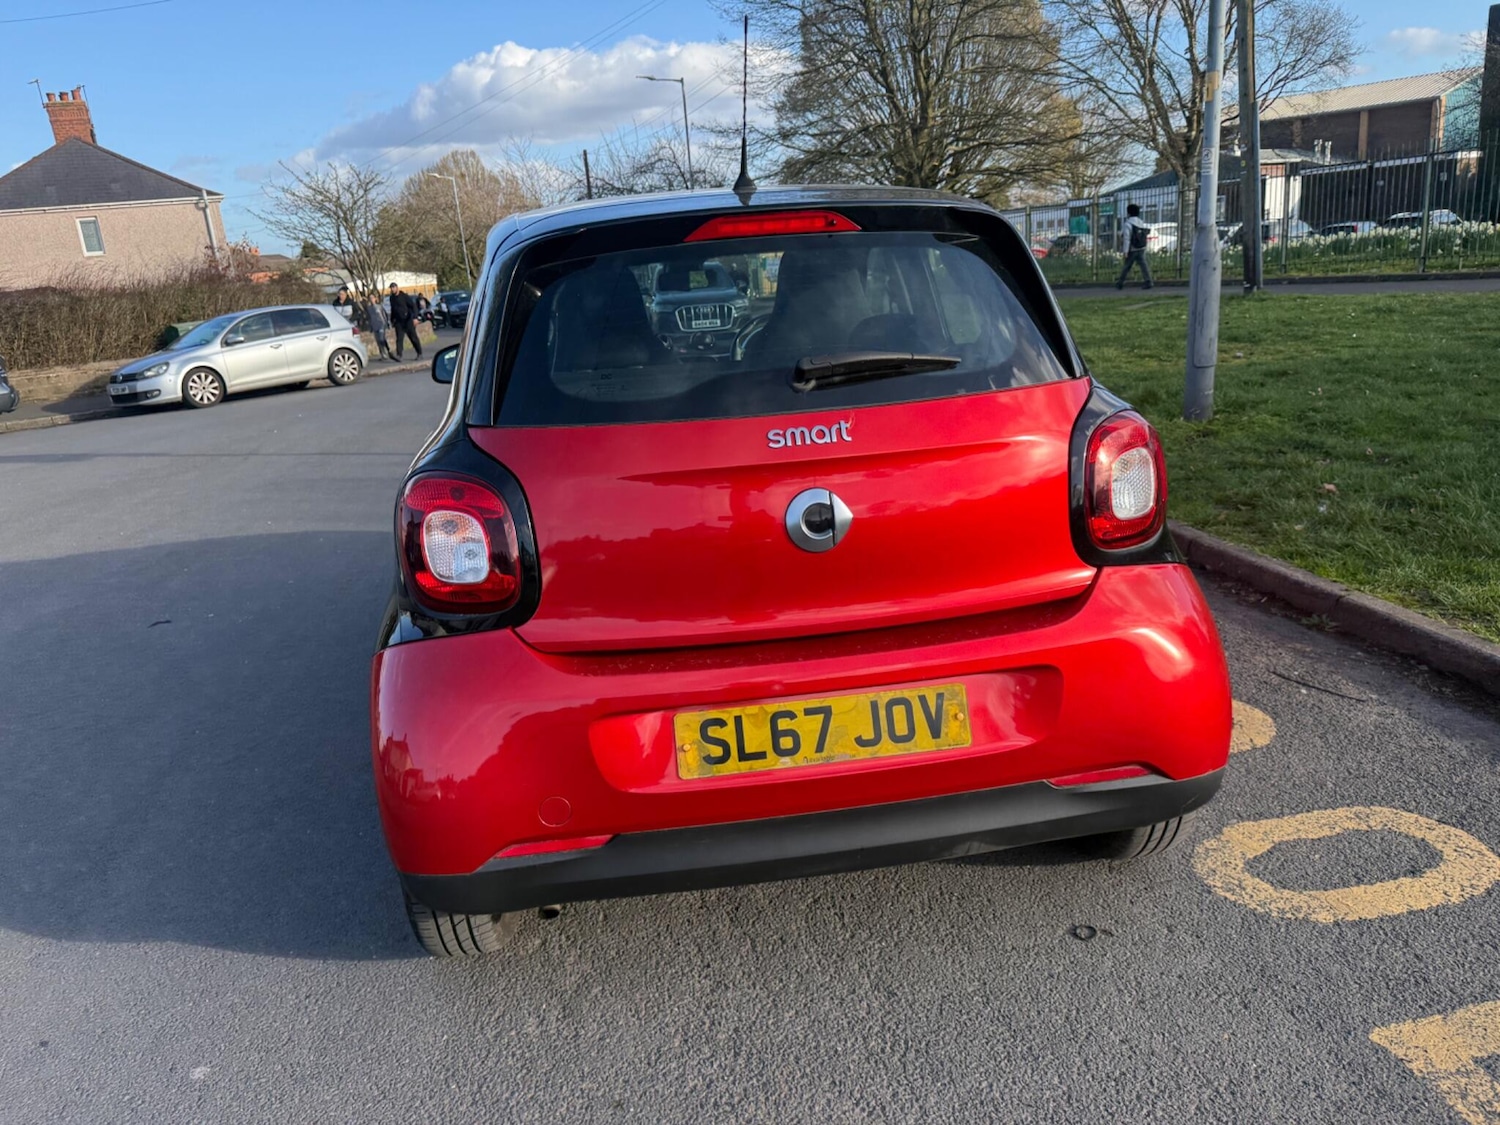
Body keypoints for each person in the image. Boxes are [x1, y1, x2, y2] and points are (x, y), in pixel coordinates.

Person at [1116, 204, 1154, 290]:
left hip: (1132, 248)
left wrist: (1125, 251)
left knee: (1127, 266)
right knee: (1143, 265)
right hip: (1141, 247)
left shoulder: (1128, 224)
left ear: (1128, 213)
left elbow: (1126, 238)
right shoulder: (1141, 222)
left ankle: (1120, 282)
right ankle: (1148, 281)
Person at [388, 283, 422, 360]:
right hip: (398, 321)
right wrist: (392, 320)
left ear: (397, 287)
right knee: (399, 338)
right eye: (391, 288)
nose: (392, 289)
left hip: (407, 320)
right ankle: (399, 355)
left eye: (393, 287)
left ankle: (419, 353)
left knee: (413, 337)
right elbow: (393, 309)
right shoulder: (392, 298)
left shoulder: (404, 296)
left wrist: (415, 318)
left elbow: (413, 306)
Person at [364, 291, 394, 361]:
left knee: (381, 339)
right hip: (375, 326)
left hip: (381, 325)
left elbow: (384, 315)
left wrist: (387, 324)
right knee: (378, 341)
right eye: (370, 298)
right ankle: (383, 355)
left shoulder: (379, 306)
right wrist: (370, 327)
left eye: (372, 298)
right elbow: (369, 318)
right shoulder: (369, 308)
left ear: (375, 298)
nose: (371, 299)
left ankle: (387, 351)